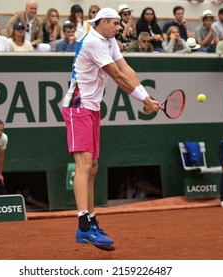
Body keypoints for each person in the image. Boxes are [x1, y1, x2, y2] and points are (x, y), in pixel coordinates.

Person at [61, 7, 160, 249]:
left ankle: (92, 221)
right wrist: (144, 101)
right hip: (78, 105)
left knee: (92, 166)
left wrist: (147, 96)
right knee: (83, 164)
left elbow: (126, 70)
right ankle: (83, 226)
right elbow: (117, 76)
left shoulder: (109, 40)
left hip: (92, 107)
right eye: (115, 23)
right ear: (102, 22)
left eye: (118, 24)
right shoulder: (94, 42)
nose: (119, 27)